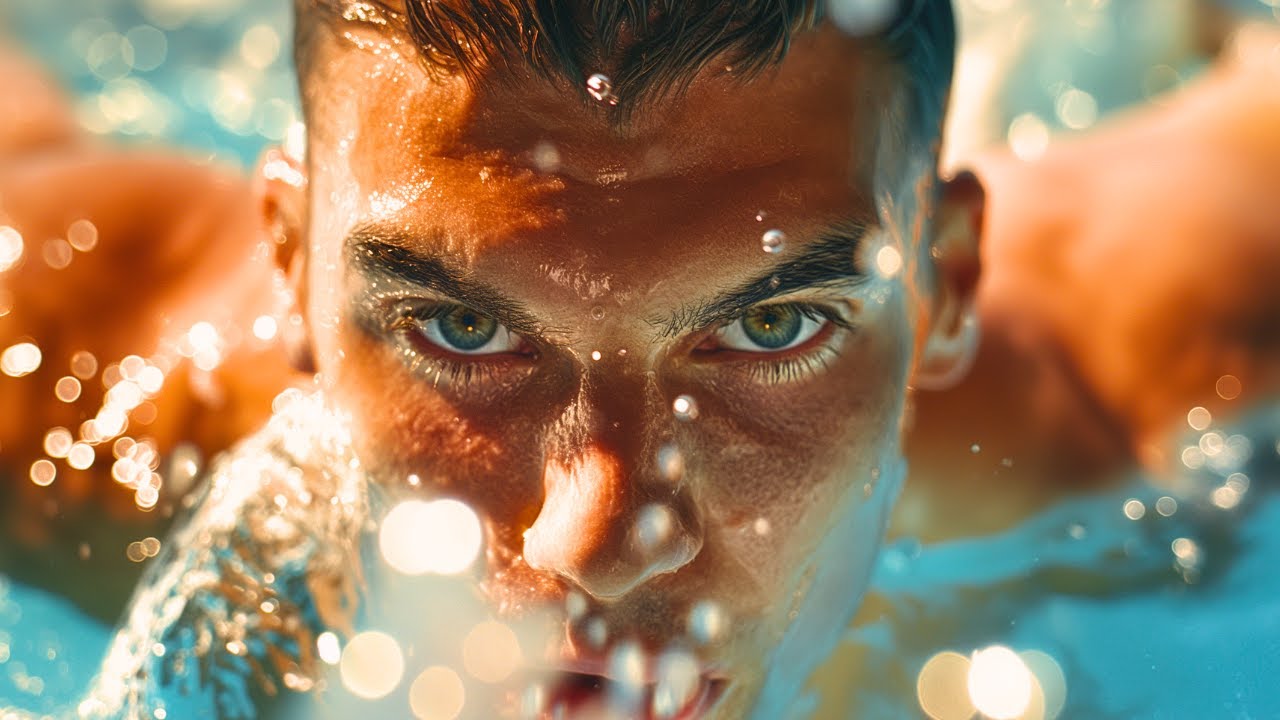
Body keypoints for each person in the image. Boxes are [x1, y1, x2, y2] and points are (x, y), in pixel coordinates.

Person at [0, 0, 1276, 718]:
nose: (600, 536)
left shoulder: (1134, 392)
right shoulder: (74, 387)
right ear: (292, 271)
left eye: (768, 327)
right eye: (463, 328)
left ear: (940, 287)